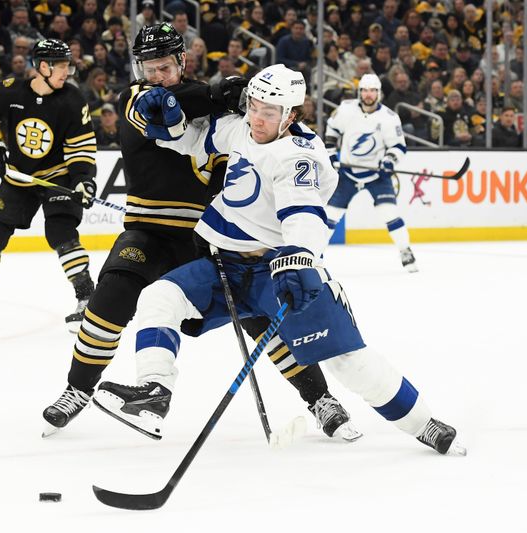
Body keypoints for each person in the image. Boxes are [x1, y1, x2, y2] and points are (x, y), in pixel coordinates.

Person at [93, 65, 465, 457]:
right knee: (159, 298)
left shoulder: (299, 156)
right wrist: (169, 127)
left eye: (268, 112)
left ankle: (423, 423)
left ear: (291, 115)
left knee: (347, 361)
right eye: (253, 106)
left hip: (275, 270)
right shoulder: (241, 128)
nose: (257, 117)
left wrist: (300, 259)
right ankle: (154, 393)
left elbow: (302, 216)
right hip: (225, 265)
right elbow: (194, 140)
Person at [41, 24, 358, 443]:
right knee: (110, 300)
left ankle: (320, 398)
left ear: (181, 62)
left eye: (164, 67)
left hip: (206, 239)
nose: (155, 75)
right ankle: (77, 390)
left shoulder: (220, 111)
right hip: (147, 232)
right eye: (148, 67)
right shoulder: (138, 97)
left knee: (262, 318)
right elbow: (161, 105)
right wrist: (217, 91)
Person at [0, 39, 97, 331]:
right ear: (43, 67)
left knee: (61, 233)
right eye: (62, 66)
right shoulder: (10, 90)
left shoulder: (72, 99)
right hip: (19, 176)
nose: (67, 71)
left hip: (58, 176)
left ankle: (87, 300)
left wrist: (83, 179)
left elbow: (82, 148)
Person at [323, 73, 417, 273]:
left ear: (379, 93)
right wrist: (332, 156)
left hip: (377, 175)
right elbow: (331, 131)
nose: (368, 94)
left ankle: (405, 251)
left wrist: (389, 161)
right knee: (330, 216)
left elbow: (398, 146)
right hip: (347, 173)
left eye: (372, 90)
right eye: (365, 90)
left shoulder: (389, 118)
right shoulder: (346, 109)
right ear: (359, 92)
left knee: (389, 213)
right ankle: (314, 256)